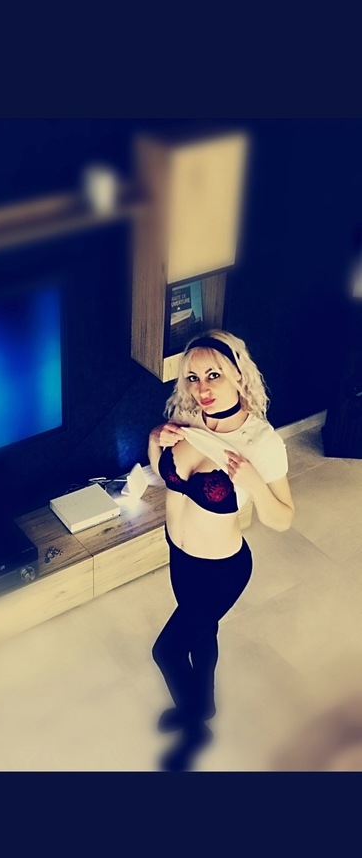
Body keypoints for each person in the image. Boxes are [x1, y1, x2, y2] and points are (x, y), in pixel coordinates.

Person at [148, 330, 295, 771]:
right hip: (180, 556)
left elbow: (283, 518)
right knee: (203, 634)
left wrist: (253, 484)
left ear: (238, 375)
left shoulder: (261, 443)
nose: (202, 388)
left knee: (167, 651)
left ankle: (195, 728)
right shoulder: (188, 419)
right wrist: (156, 439)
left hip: (221, 570)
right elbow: (164, 476)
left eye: (213, 374)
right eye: (192, 377)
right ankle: (204, 704)